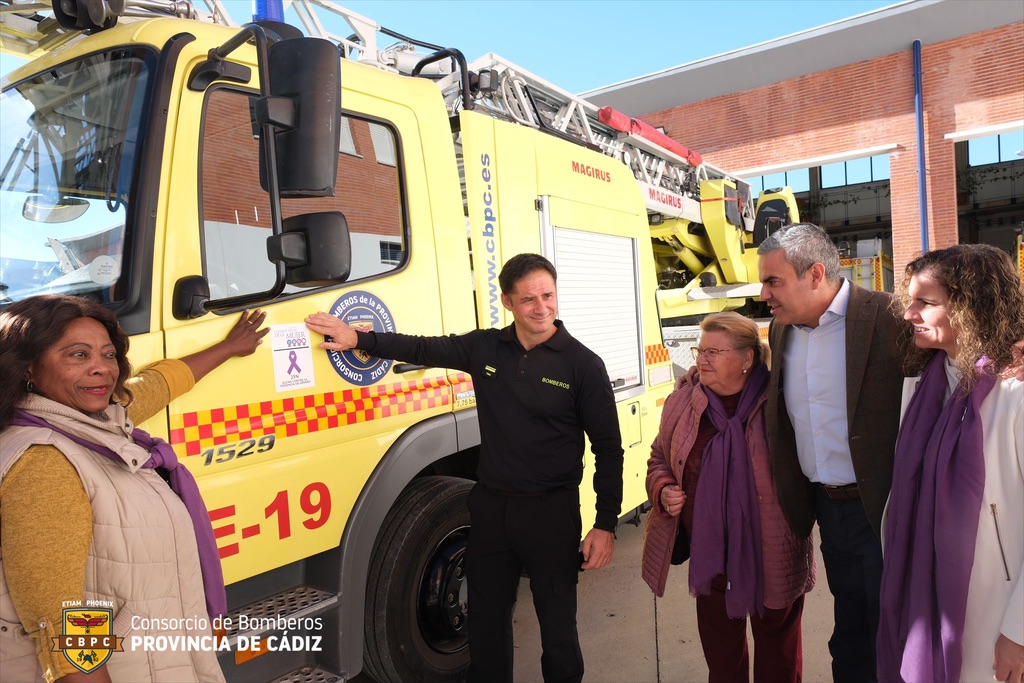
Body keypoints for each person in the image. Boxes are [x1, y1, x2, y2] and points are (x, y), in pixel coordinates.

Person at [305, 253, 622, 683]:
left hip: (551, 514)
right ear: (508, 302)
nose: (541, 307)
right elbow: (420, 346)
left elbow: (608, 448)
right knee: (485, 624)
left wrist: (605, 524)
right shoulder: (485, 347)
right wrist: (357, 338)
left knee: (558, 629)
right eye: (528, 299)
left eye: (547, 295)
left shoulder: (582, 365)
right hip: (490, 510)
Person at [0, 294, 268, 683]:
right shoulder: (45, 460)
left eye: (108, 356)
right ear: (27, 366)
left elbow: (157, 384)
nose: (101, 370)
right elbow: (62, 619)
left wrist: (227, 347)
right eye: (78, 355)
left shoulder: (93, 418)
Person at [757, 223, 909, 683]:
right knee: (849, 630)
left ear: (816, 274)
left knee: (894, 626)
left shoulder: (889, 317)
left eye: (773, 281)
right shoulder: (781, 330)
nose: (764, 293)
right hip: (826, 508)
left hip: (882, 507)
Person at [877, 244, 1024, 683]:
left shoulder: (1015, 394)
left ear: (970, 306)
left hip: (993, 610)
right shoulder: (924, 386)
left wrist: (1018, 630)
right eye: (911, 300)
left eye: (926, 302)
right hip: (923, 598)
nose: (908, 313)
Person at [642, 312, 815, 683]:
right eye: (699, 351)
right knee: (722, 660)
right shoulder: (683, 405)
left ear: (747, 358)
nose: (701, 360)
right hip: (712, 554)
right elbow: (659, 458)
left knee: (779, 658)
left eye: (714, 352)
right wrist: (662, 489)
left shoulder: (782, 403)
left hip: (774, 551)